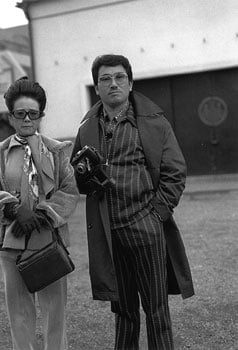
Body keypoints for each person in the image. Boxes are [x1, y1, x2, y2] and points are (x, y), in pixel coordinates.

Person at [71, 54, 194, 350]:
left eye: (119, 77)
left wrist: (157, 214)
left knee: (156, 309)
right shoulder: (86, 128)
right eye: (105, 79)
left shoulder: (153, 123)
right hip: (109, 233)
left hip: (146, 229)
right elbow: (78, 175)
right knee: (123, 310)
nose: (113, 83)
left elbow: (175, 172)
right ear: (97, 88)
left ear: (130, 82)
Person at [0, 77, 79, 350]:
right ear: (11, 117)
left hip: (50, 242)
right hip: (11, 244)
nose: (26, 119)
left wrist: (44, 214)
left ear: (41, 116)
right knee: (20, 314)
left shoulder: (58, 152)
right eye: (20, 114)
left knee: (55, 312)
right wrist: (13, 208)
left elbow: (69, 191)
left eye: (32, 114)